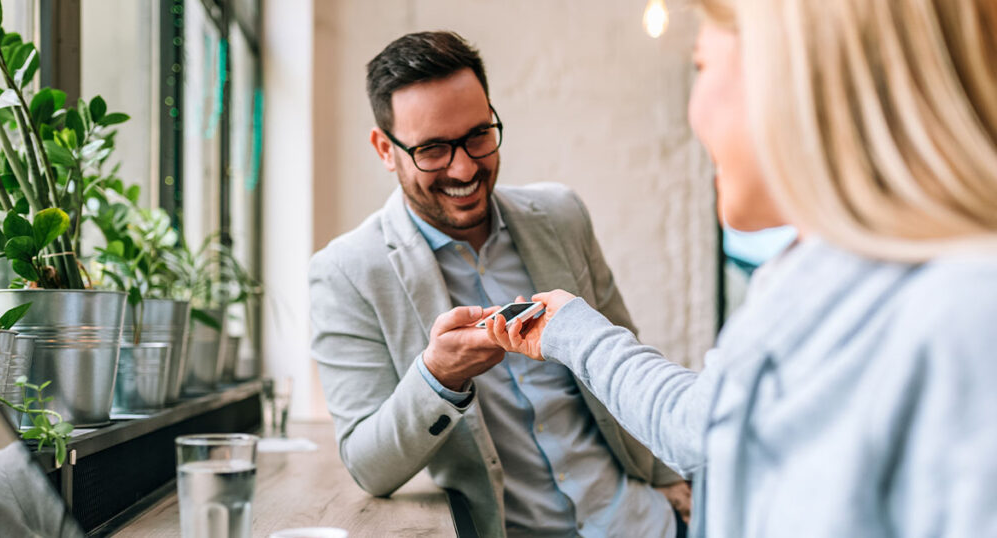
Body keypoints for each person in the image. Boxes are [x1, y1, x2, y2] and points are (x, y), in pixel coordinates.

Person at [487, 0, 997, 536]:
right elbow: (699, 427)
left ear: (791, 74)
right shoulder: (798, 283)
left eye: (702, 65)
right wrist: (569, 328)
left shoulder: (966, 314)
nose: (693, 110)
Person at [308, 31, 691, 538]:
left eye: (478, 136)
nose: (464, 168)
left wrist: (670, 480)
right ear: (385, 148)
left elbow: (624, 354)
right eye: (433, 150)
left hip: (643, 521)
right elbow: (367, 466)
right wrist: (438, 377)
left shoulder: (562, 215)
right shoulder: (346, 273)